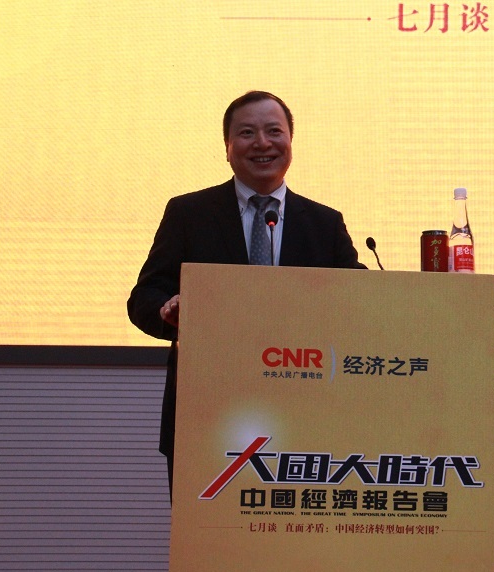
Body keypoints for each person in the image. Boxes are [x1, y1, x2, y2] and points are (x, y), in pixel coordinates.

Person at [127, 90, 366, 496]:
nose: (262, 143)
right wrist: (169, 312)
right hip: (207, 415)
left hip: (305, 415)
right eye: (247, 133)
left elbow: (357, 297)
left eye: (274, 131)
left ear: (291, 140)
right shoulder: (189, 213)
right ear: (227, 147)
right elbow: (144, 297)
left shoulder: (324, 223)